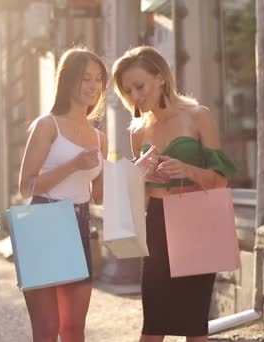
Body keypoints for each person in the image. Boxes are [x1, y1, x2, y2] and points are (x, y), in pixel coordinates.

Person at [112, 46, 238, 342]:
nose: (135, 96)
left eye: (139, 86)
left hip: (197, 221)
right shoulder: (137, 131)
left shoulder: (198, 116)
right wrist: (140, 175)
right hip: (156, 224)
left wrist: (188, 170)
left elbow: (220, 182)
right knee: (152, 327)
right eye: (127, 90)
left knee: (195, 327)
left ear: (160, 78)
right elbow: (138, 196)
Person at [18, 47, 108, 342]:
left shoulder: (99, 138)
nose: (93, 86)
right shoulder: (47, 125)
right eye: (86, 78)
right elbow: (26, 186)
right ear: (68, 81)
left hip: (80, 224)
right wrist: (72, 165)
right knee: (46, 331)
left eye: (98, 79)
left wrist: (136, 172)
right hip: (44, 219)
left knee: (73, 330)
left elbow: (99, 196)